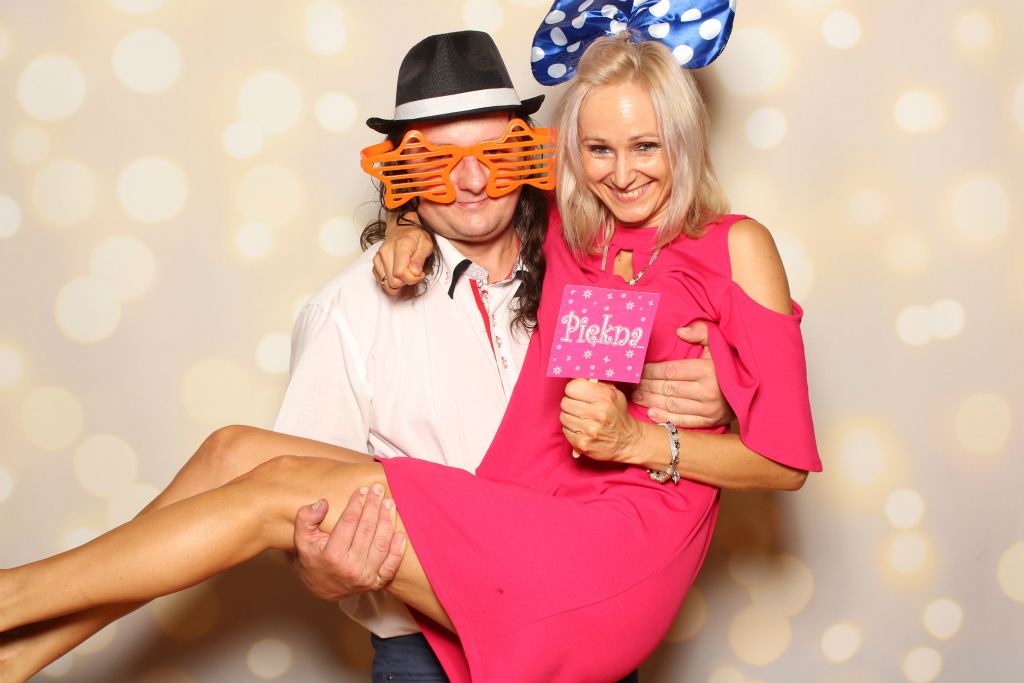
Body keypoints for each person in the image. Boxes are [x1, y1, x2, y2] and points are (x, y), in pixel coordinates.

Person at [0, 25, 821, 683]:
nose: (622, 170)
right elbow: (468, 198)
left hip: (600, 562)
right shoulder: (583, 237)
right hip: (504, 544)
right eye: (599, 150)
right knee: (233, 450)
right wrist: (402, 226)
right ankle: (21, 651)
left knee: (268, 485)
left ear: (683, 139)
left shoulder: (719, 244)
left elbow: (783, 457)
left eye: (647, 146)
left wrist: (685, 413)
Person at [278, 30, 735, 683]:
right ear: (400, 173)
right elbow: (294, 499)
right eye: (435, 164)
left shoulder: (592, 266)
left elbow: (638, 412)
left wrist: (713, 393)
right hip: (429, 656)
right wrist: (318, 567)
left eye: (496, 154)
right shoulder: (347, 311)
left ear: (529, 155)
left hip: (583, 628)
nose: (471, 182)